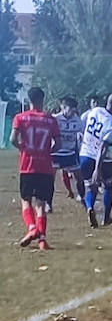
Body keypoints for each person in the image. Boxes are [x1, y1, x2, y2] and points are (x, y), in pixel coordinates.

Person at [11, 86, 60, 249]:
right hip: (44, 166)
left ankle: (32, 228)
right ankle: (42, 240)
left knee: (26, 201)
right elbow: (58, 144)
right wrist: (47, 151)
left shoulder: (20, 117)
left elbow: (12, 139)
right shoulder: (51, 120)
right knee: (41, 203)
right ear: (42, 99)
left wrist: (22, 148)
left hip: (27, 165)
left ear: (29, 100)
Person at [80, 93, 112, 228]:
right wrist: (97, 170)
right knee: (108, 187)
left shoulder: (95, 111)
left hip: (85, 155)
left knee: (89, 187)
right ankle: (106, 218)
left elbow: (84, 125)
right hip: (102, 160)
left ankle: (89, 207)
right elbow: (103, 149)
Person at [51, 96, 85, 201]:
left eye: (74, 109)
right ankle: (48, 203)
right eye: (70, 108)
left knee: (79, 177)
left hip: (70, 153)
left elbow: (84, 134)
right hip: (56, 153)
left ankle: (81, 196)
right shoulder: (55, 119)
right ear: (63, 107)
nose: (72, 112)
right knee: (50, 179)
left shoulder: (78, 121)